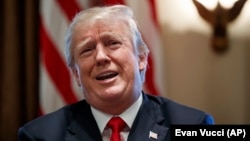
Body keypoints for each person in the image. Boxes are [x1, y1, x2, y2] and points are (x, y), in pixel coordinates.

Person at [18, 4, 214, 141]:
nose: (101, 57)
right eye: (87, 50)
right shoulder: (40, 136)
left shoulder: (192, 125)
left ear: (141, 58)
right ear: (76, 74)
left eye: (113, 43)